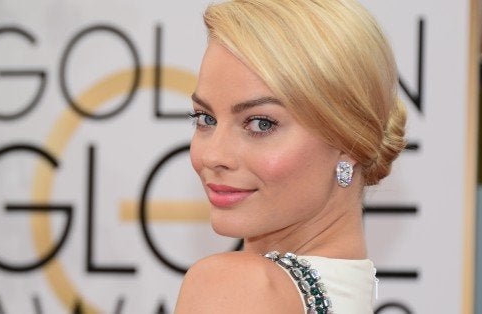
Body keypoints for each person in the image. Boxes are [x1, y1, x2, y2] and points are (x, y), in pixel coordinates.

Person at [174, 0, 406, 313]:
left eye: (261, 124)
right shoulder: (348, 293)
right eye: (205, 118)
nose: (213, 155)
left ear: (349, 141)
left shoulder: (237, 288)